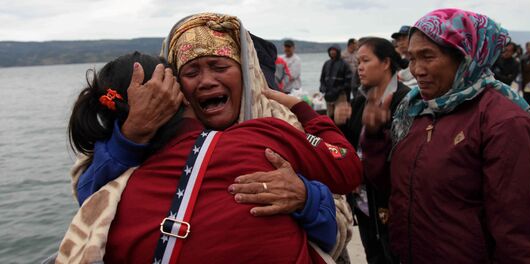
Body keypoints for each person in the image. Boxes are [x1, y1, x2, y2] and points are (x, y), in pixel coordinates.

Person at [56, 13, 362, 264]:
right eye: (191, 72)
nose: (206, 81)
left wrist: (306, 197)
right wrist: (132, 135)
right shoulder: (143, 136)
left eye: (219, 66)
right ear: (173, 89)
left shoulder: (281, 123)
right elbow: (92, 196)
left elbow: (340, 211)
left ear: (246, 74)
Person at [360, 8, 530, 263]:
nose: (416, 70)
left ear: (465, 58)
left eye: (428, 56)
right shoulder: (414, 109)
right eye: (411, 58)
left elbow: (515, 229)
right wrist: (373, 136)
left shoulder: (504, 122)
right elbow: (389, 186)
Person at [334, 37, 410, 264]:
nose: (359, 67)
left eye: (366, 60)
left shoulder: (405, 101)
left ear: (386, 63)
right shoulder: (360, 100)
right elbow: (348, 147)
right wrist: (338, 124)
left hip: (392, 205)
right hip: (364, 203)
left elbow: (401, 160)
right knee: (373, 255)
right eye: (358, 61)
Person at [320, 44, 353, 117]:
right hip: (328, 95)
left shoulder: (344, 64)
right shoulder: (327, 63)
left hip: (340, 95)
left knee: (340, 118)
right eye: (331, 50)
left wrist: (338, 89)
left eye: (334, 50)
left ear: (338, 52)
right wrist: (322, 87)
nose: (332, 52)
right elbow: (322, 78)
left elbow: (348, 81)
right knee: (330, 116)